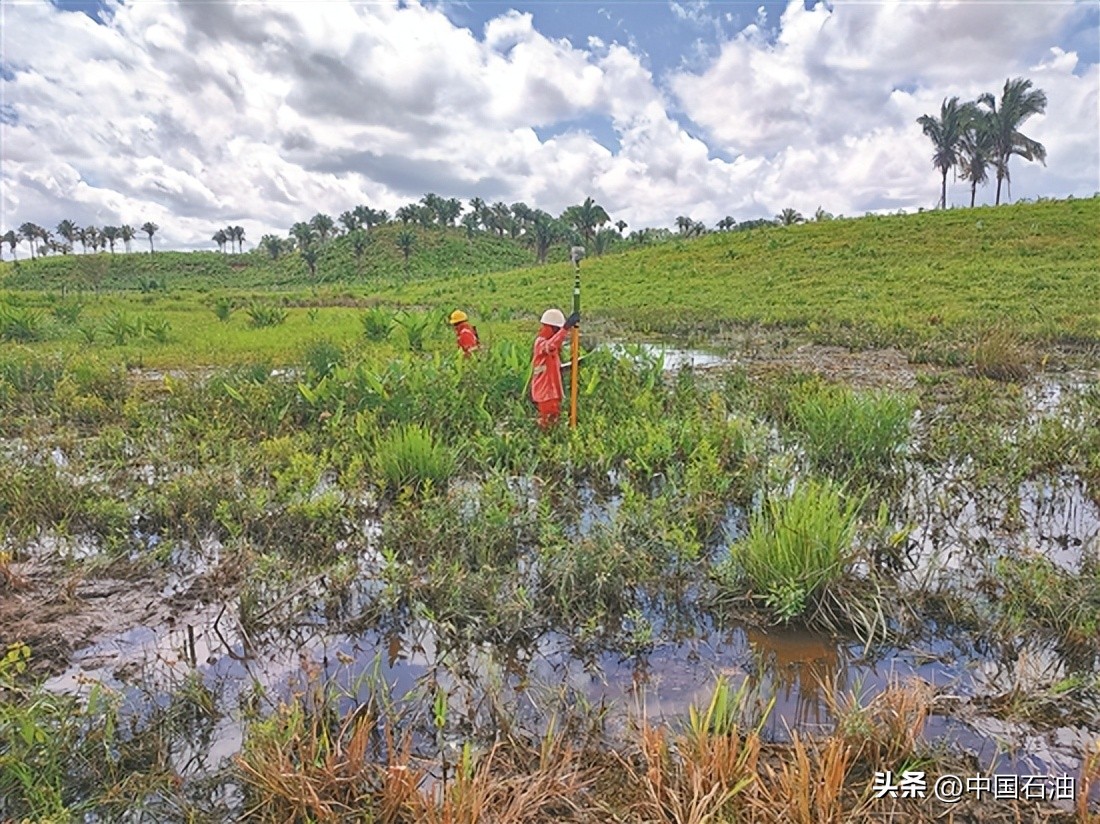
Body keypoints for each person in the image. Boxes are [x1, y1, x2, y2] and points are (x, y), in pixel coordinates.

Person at [530, 307, 580, 429]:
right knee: (548, 424)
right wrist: (565, 329)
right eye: (556, 330)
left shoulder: (553, 349)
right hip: (545, 394)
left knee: (554, 423)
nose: (557, 333)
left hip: (553, 393)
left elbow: (555, 369)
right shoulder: (541, 343)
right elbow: (551, 346)